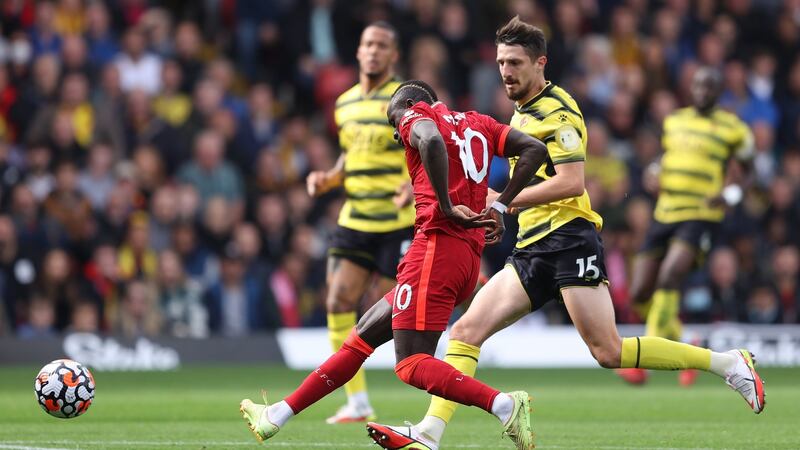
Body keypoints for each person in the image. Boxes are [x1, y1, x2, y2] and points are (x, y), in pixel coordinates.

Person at [367, 17, 765, 450]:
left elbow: (573, 182)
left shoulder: (559, 111)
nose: (505, 72)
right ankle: (430, 433)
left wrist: (504, 201)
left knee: (608, 352)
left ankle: (728, 363)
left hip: (569, 238)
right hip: (532, 245)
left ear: (541, 63)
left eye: (515, 62)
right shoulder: (523, 111)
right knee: (465, 332)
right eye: (501, 62)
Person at [240, 80, 549, 450]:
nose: (398, 132)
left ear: (410, 103)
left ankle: (503, 405)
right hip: (467, 255)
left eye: (394, 123)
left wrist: (447, 207)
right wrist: (499, 206)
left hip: (436, 248)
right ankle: (276, 415)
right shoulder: (478, 123)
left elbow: (430, 140)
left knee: (410, 363)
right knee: (360, 338)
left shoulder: (414, 111)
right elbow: (534, 149)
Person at [304, 21, 414, 423]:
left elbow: (422, 149)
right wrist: (328, 178)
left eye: (382, 45)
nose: (372, 51)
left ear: (393, 55)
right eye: (367, 43)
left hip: (396, 222)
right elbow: (349, 156)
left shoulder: (404, 100)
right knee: (336, 301)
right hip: (355, 218)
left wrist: (411, 184)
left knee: (386, 315)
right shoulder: (345, 102)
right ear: (358, 51)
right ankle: (357, 400)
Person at [618, 66, 753, 386]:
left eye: (709, 86)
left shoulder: (735, 130)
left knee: (669, 277)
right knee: (639, 292)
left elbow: (749, 171)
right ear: (690, 88)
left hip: (700, 214)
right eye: (698, 85)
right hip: (665, 212)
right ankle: (687, 345)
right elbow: (669, 156)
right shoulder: (675, 121)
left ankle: (642, 364)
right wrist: (655, 169)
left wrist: (731, 193)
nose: (702, 91)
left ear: (720, 91)